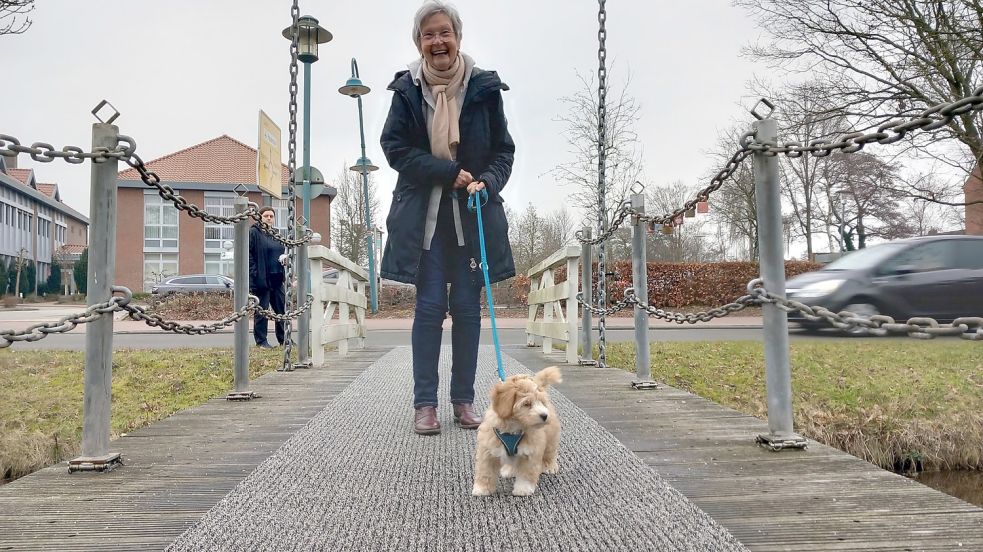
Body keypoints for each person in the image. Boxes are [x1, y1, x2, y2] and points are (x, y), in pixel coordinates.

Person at [380, 0, 516, 435]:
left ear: (458, 37)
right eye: (428, 35)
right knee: (430, 307)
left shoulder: (484, 87)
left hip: (473, 215)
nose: (437, 41)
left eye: (444, 33)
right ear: (419, 43)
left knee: (467, 310)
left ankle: (463, 400)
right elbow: (395, 149)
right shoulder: (407, 91)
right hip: (425, 218)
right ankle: (425, 404)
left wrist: (487, 183)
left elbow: (503, 151)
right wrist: (447, 172)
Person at [249, 206, 287, 349]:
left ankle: (284, 339)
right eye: (266, 216)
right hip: (262, 279)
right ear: (260, 217)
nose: (269, 218)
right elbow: (249, 255)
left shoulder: (276, 234)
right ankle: (261, 341)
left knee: (281, 311)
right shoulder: (253, 233)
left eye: (271, 216)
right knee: (262, 311)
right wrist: (254, 273)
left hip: (277, 278)